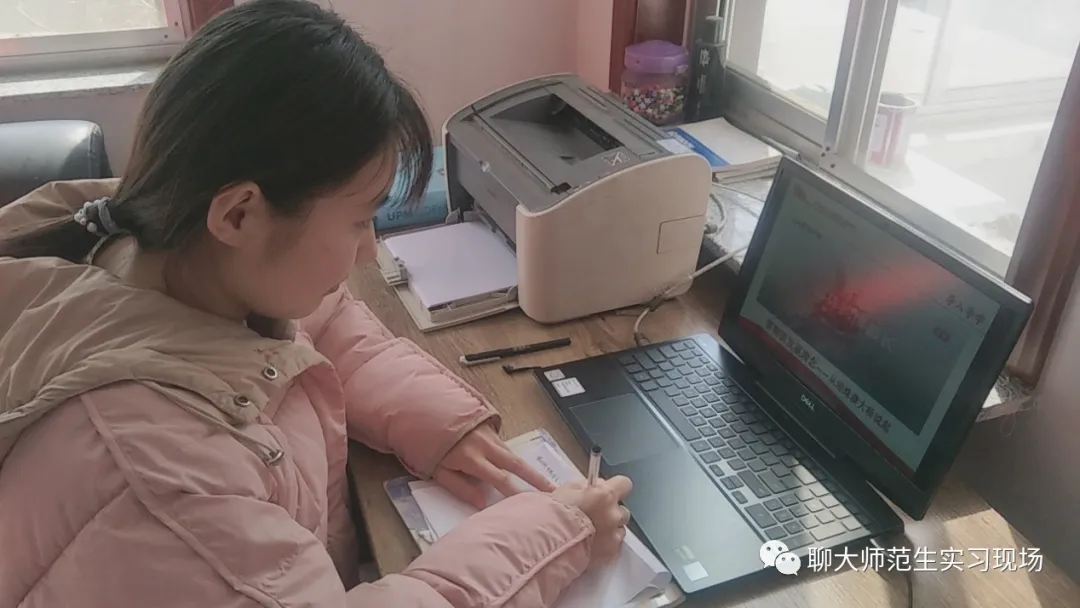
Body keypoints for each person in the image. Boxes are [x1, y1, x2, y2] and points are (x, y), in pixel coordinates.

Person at [0, 1, 633, 606]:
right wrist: (556, 533)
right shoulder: (159, 485)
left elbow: (314, 323)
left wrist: (435, 419)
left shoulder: (154, 239)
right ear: (240, 213)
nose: (370, 252)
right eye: (359, 221)